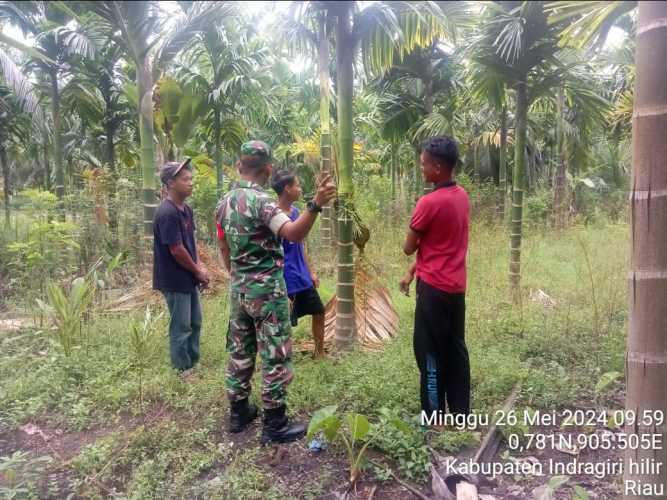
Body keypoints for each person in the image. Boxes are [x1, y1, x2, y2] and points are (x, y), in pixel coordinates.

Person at [215, 140, 336, 442]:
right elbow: (293, 233)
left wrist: (236, 273)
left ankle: (239, 412)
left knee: (240, 349)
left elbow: (223, 245)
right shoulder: (263, 202)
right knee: (274, 352)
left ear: (240, 166)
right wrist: (315, 204)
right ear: (268, 170)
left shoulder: (224, 203)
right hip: (267, 289)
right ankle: (275, 424)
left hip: (239, 288)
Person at [399, 136, 471, 419]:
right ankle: (461, 412)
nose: (421, 169)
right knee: (455, 349)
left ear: (438, 167)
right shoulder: (462, 197)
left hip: (432, 291)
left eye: (424, 164)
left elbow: (409, 247)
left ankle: (432, 413)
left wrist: (412, 258)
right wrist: (411, 272)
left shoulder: (427, 203)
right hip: (456, 288)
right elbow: (441, 246)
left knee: (429, 352)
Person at [153, 159, 210, 379]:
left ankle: (192, 363)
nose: (191, 183)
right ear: (170, 184)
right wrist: (197, 271)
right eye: (185, 179)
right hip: (174, 279)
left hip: (188, 276)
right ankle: (182, 370)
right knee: (181, 325)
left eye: (190, 178)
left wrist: (200, 268)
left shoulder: (186, 209)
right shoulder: (167, 213)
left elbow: (189, 242)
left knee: (195, 321)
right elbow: (176, 249)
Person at [271, 169, 326, 358]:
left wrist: (310, 272)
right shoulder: (272, 215)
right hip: (285, 277)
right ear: (287, 189)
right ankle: (280, 357)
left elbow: (300, 244)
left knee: (319, 311)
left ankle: (319, 352)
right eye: (297, 185)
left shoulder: (295, 212)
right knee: (282, 320)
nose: (300, 189)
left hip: (301, 275)